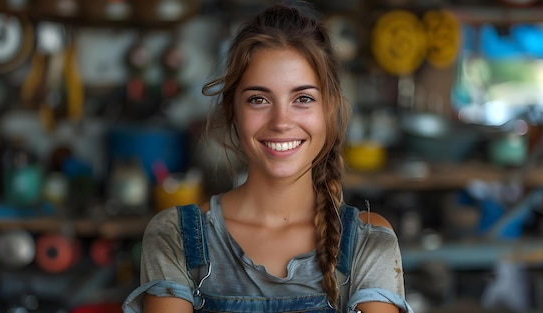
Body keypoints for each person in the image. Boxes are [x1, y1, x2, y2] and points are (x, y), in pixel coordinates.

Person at [123, 1, 414, 312]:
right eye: (259, 99)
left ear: (329, 111)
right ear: (232, 112)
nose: (281, 122)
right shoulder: (176, 237)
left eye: (303, 98)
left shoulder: (368, 243)